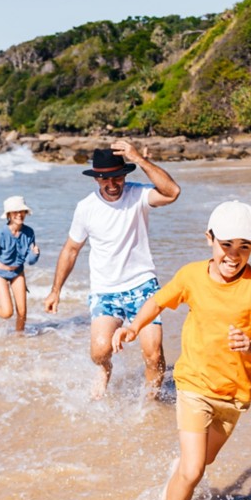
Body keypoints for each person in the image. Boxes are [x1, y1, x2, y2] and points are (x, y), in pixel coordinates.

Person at [112, 200, 251, 500]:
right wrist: (132, 326)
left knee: (197, 467)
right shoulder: (192, 276)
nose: (234, 255)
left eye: (244, 246)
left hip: (234, 396)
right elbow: (159, 300)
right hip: (193, 386)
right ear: (209, 239)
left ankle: (173, 487)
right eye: (227, 244)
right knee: (192, 469)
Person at [44, 139, 180, 398]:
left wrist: (139, 159)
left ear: (124, 175)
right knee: (99, 351)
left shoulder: (138, 195)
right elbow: (71, 249)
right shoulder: (86, 208)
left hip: (142, 285)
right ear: (96, 179)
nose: (112, 183)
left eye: (117, 177)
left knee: (153, 354)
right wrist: (55, 291)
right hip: (105, 290)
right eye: (105, 179)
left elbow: (172, 191)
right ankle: (105, 370)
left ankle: (150, 405)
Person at [0, 196, 40, 332]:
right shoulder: (0, 234)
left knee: (22, 313)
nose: (19, 215)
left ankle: (19, 339)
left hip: (17, 272)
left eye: (22, 211)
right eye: (15, 211)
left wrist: (35, 254)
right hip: (0, 273)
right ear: (8, 215)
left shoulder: (29, 233)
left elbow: (30, 261)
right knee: (7, 313)